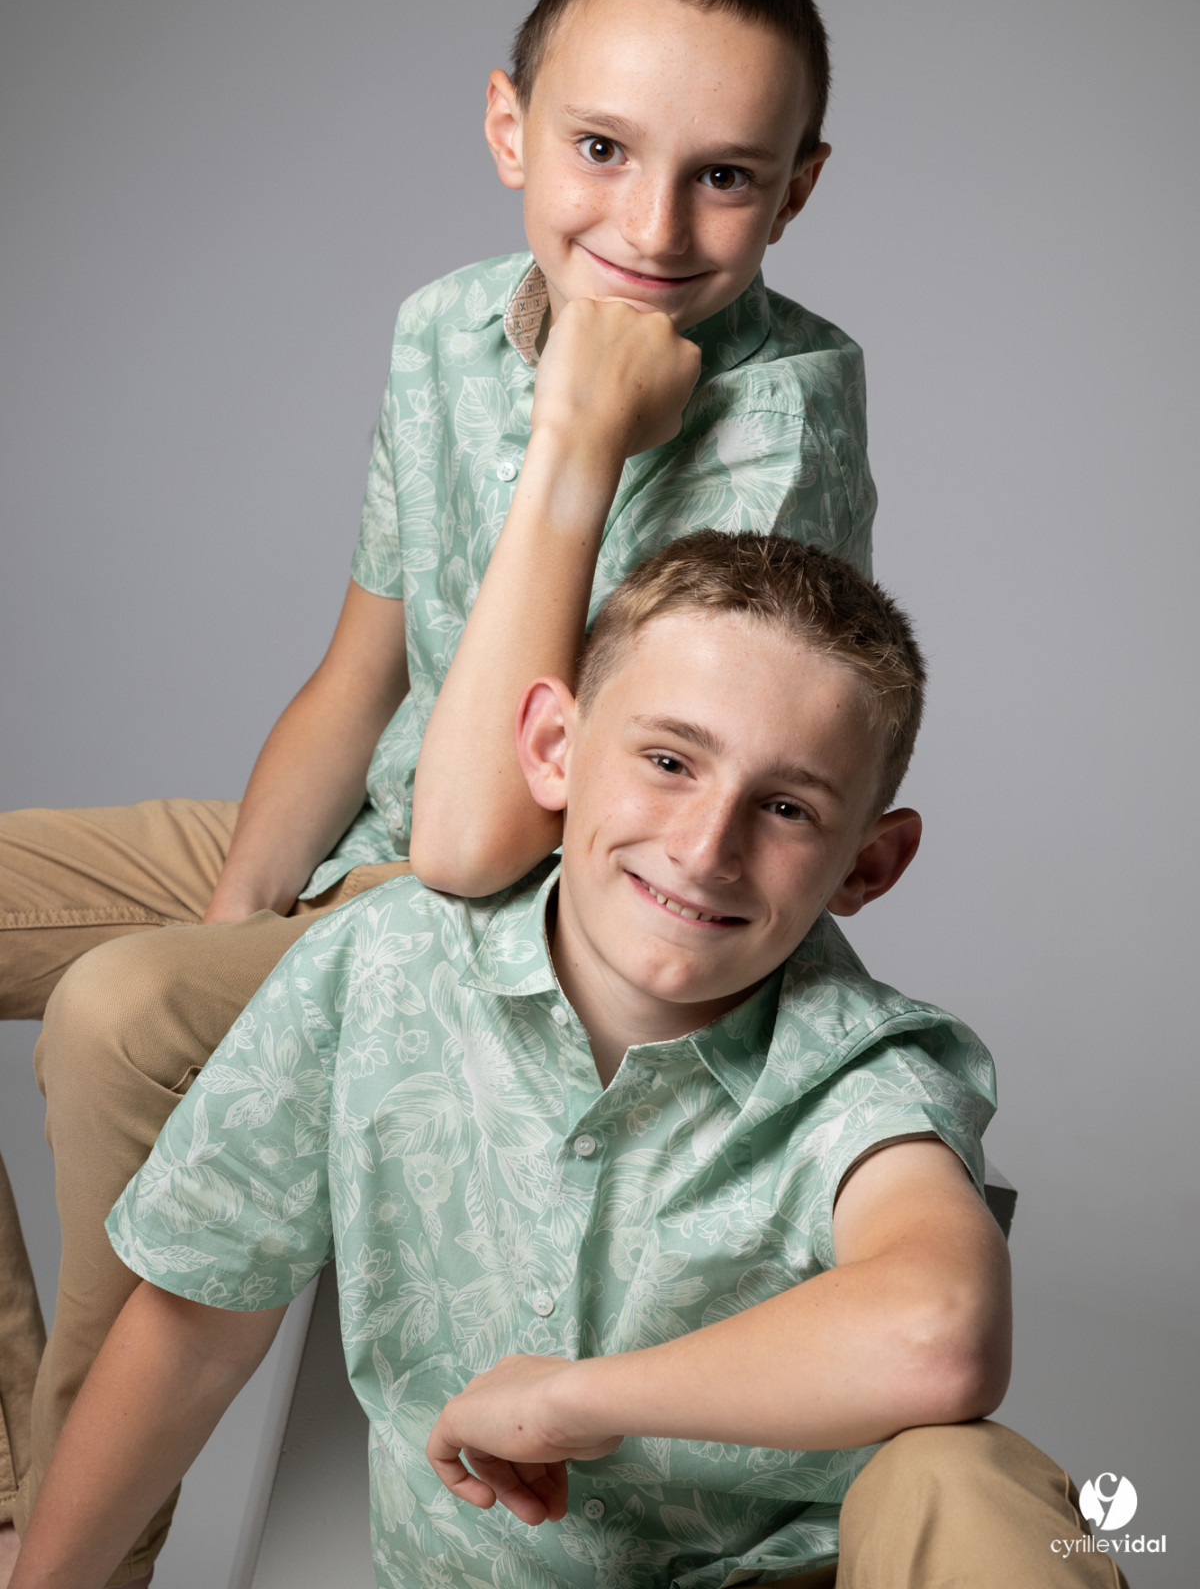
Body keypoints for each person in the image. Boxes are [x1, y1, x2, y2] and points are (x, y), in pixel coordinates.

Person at [1, 0, 876, 1582]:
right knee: (147, 972)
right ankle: (20, 1492)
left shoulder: (783, 429)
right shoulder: (447, 329)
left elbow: (488, 846)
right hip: (379, 825)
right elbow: (360, 676)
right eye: (603, 150)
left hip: (521, 908)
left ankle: (74, 1553)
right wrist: (240, 928)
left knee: (121, 1017)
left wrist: (580, 434)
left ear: (797, 190)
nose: (651, 225)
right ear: (508, 128)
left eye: (724, 176)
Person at [10, 534, 1125, 1589]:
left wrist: (576, 1400)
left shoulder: (865, 1071)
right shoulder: (382, 966)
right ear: (553, 747)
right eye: (669, 761)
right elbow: (191, 1336)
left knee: (963, 1475)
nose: (705, 847)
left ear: (867, 865)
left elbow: (940, 1331)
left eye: (787, 808)